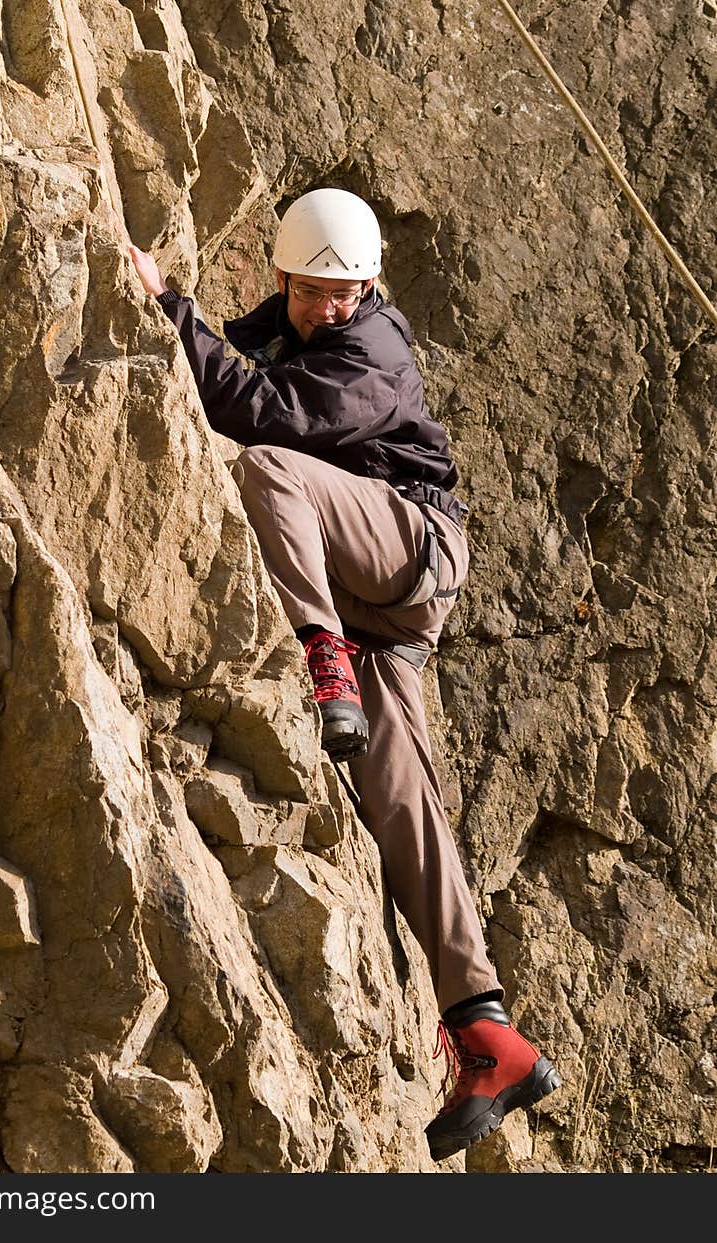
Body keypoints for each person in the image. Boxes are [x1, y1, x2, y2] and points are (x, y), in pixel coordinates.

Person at [129, 187, 561, 1162]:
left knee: (271, 467)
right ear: (286, 276)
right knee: (405, 802)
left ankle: (320, 654)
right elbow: (233, 345)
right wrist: (164, 297)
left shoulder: (374, 345)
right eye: (317, 290)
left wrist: (169, 318)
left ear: (369, 286)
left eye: (348, 290)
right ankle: (485, 1032)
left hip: (409, 552)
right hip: (383, 603)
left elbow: (252, 406)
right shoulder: (292, 315)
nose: (332, 305)